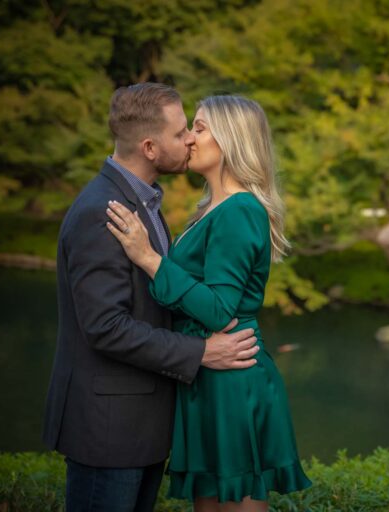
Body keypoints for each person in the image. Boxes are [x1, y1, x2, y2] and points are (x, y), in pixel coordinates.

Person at [42, 83, 260, 512]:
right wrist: (201, 352)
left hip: (140, 425)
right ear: (149, 147)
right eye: (181, 132)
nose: (190, 139)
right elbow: (105, 327)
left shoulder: (145, 204)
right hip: (109, 429)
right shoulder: (102, 212)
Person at [106, 94, 312, 511]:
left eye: (198, 128)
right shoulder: (210, 209)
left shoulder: (239, 210)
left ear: (230, 139)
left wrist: (149, 259)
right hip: (207, 375)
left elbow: (219, 310)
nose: (188, 139)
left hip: (232, 380)